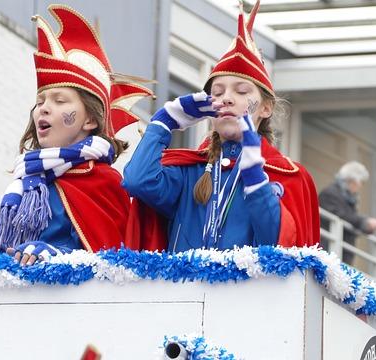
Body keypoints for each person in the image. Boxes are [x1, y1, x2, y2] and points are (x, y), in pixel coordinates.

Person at [122, 0, 319, 252]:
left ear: (266, 108)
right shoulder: (190, 171)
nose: (226, 98)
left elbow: (280, 248)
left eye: (241, 91)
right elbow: (137, 182)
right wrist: (163, 122)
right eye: (217, 92)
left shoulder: (289, 176)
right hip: (184, 291)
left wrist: (256, 182)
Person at [0, 4, 153, 265]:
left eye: (60, 100)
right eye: (41, 100)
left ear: (89, 119)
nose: (44, 107)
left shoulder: (104, 181)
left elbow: (109, 264)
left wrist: (56, 255)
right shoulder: (28, 179)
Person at [319, 161, 376, 264]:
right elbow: (342, 216)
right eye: (360, 182)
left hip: (340, 250)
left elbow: (348, 218)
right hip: (329, 249)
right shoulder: (330, 193)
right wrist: (364, 222)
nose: (360, 186)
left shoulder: (348, 197)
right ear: (351, 180)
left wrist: (364, 224)